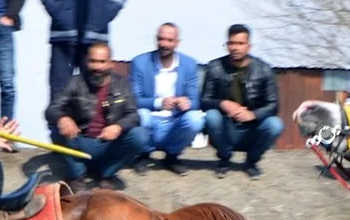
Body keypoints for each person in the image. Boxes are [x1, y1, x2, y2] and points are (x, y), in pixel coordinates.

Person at [46, 43, 147, 190]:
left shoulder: (122, 83)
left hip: (108, 144)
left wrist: (118, 126)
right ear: (86, 62)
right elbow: (52, 109)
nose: (97, 67)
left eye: (102, 62)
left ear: (110, 64)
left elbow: (134, 115)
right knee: (56, 128)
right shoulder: (75, 82)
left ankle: (107, 174)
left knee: (140, 135)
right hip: (80, 141)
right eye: (93, 61)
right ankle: (77, 175)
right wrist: (63, 118)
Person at [201, 24, 284, 179]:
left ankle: (251, 162)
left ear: (249, 46)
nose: (235, 48)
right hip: (226, 127)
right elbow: (204, 101)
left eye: (240, 43)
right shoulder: (215, 67)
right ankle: (224, 158)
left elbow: (274, 105)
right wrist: (223, 104)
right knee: (211, 116)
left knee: (275, 124)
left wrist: (253, 114)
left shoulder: (264, 70)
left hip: (252, 128)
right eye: (231, 43)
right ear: (227, 45)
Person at [129, 23, 205, 175]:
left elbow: (195, 102)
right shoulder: (140, 62)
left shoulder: (189, 64)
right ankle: (143, 154)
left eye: (169, 40)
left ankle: (172, 156)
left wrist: (186, 103)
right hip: (151, 117)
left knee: (196, 118)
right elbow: (133, 100)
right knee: (140, 114)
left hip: (174, 120)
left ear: (177, 42)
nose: (164, 44)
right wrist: (159, 103)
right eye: (161, 39)